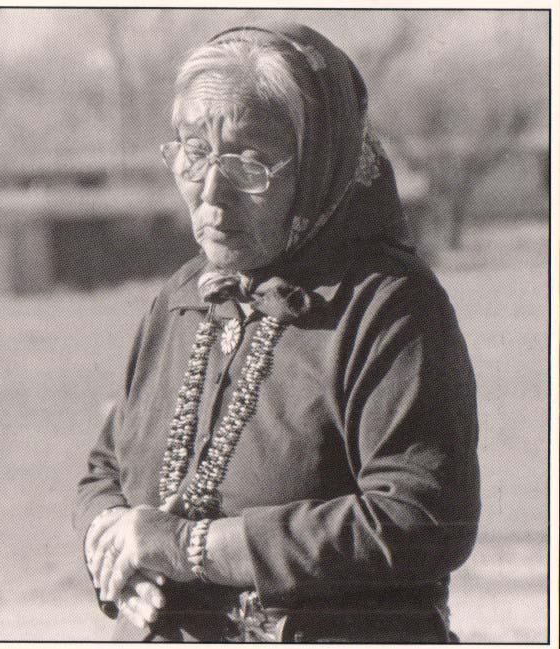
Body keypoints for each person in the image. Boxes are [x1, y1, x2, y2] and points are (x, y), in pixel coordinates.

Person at [73, 22, 480, 643]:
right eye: (193, 152)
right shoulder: (180, 301)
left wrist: (189, 547)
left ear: (317, 166)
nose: (211, 194)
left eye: (250, 162)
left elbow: (418, 517)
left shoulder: (386, 308)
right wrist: (120, 552)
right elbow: (109, 465)